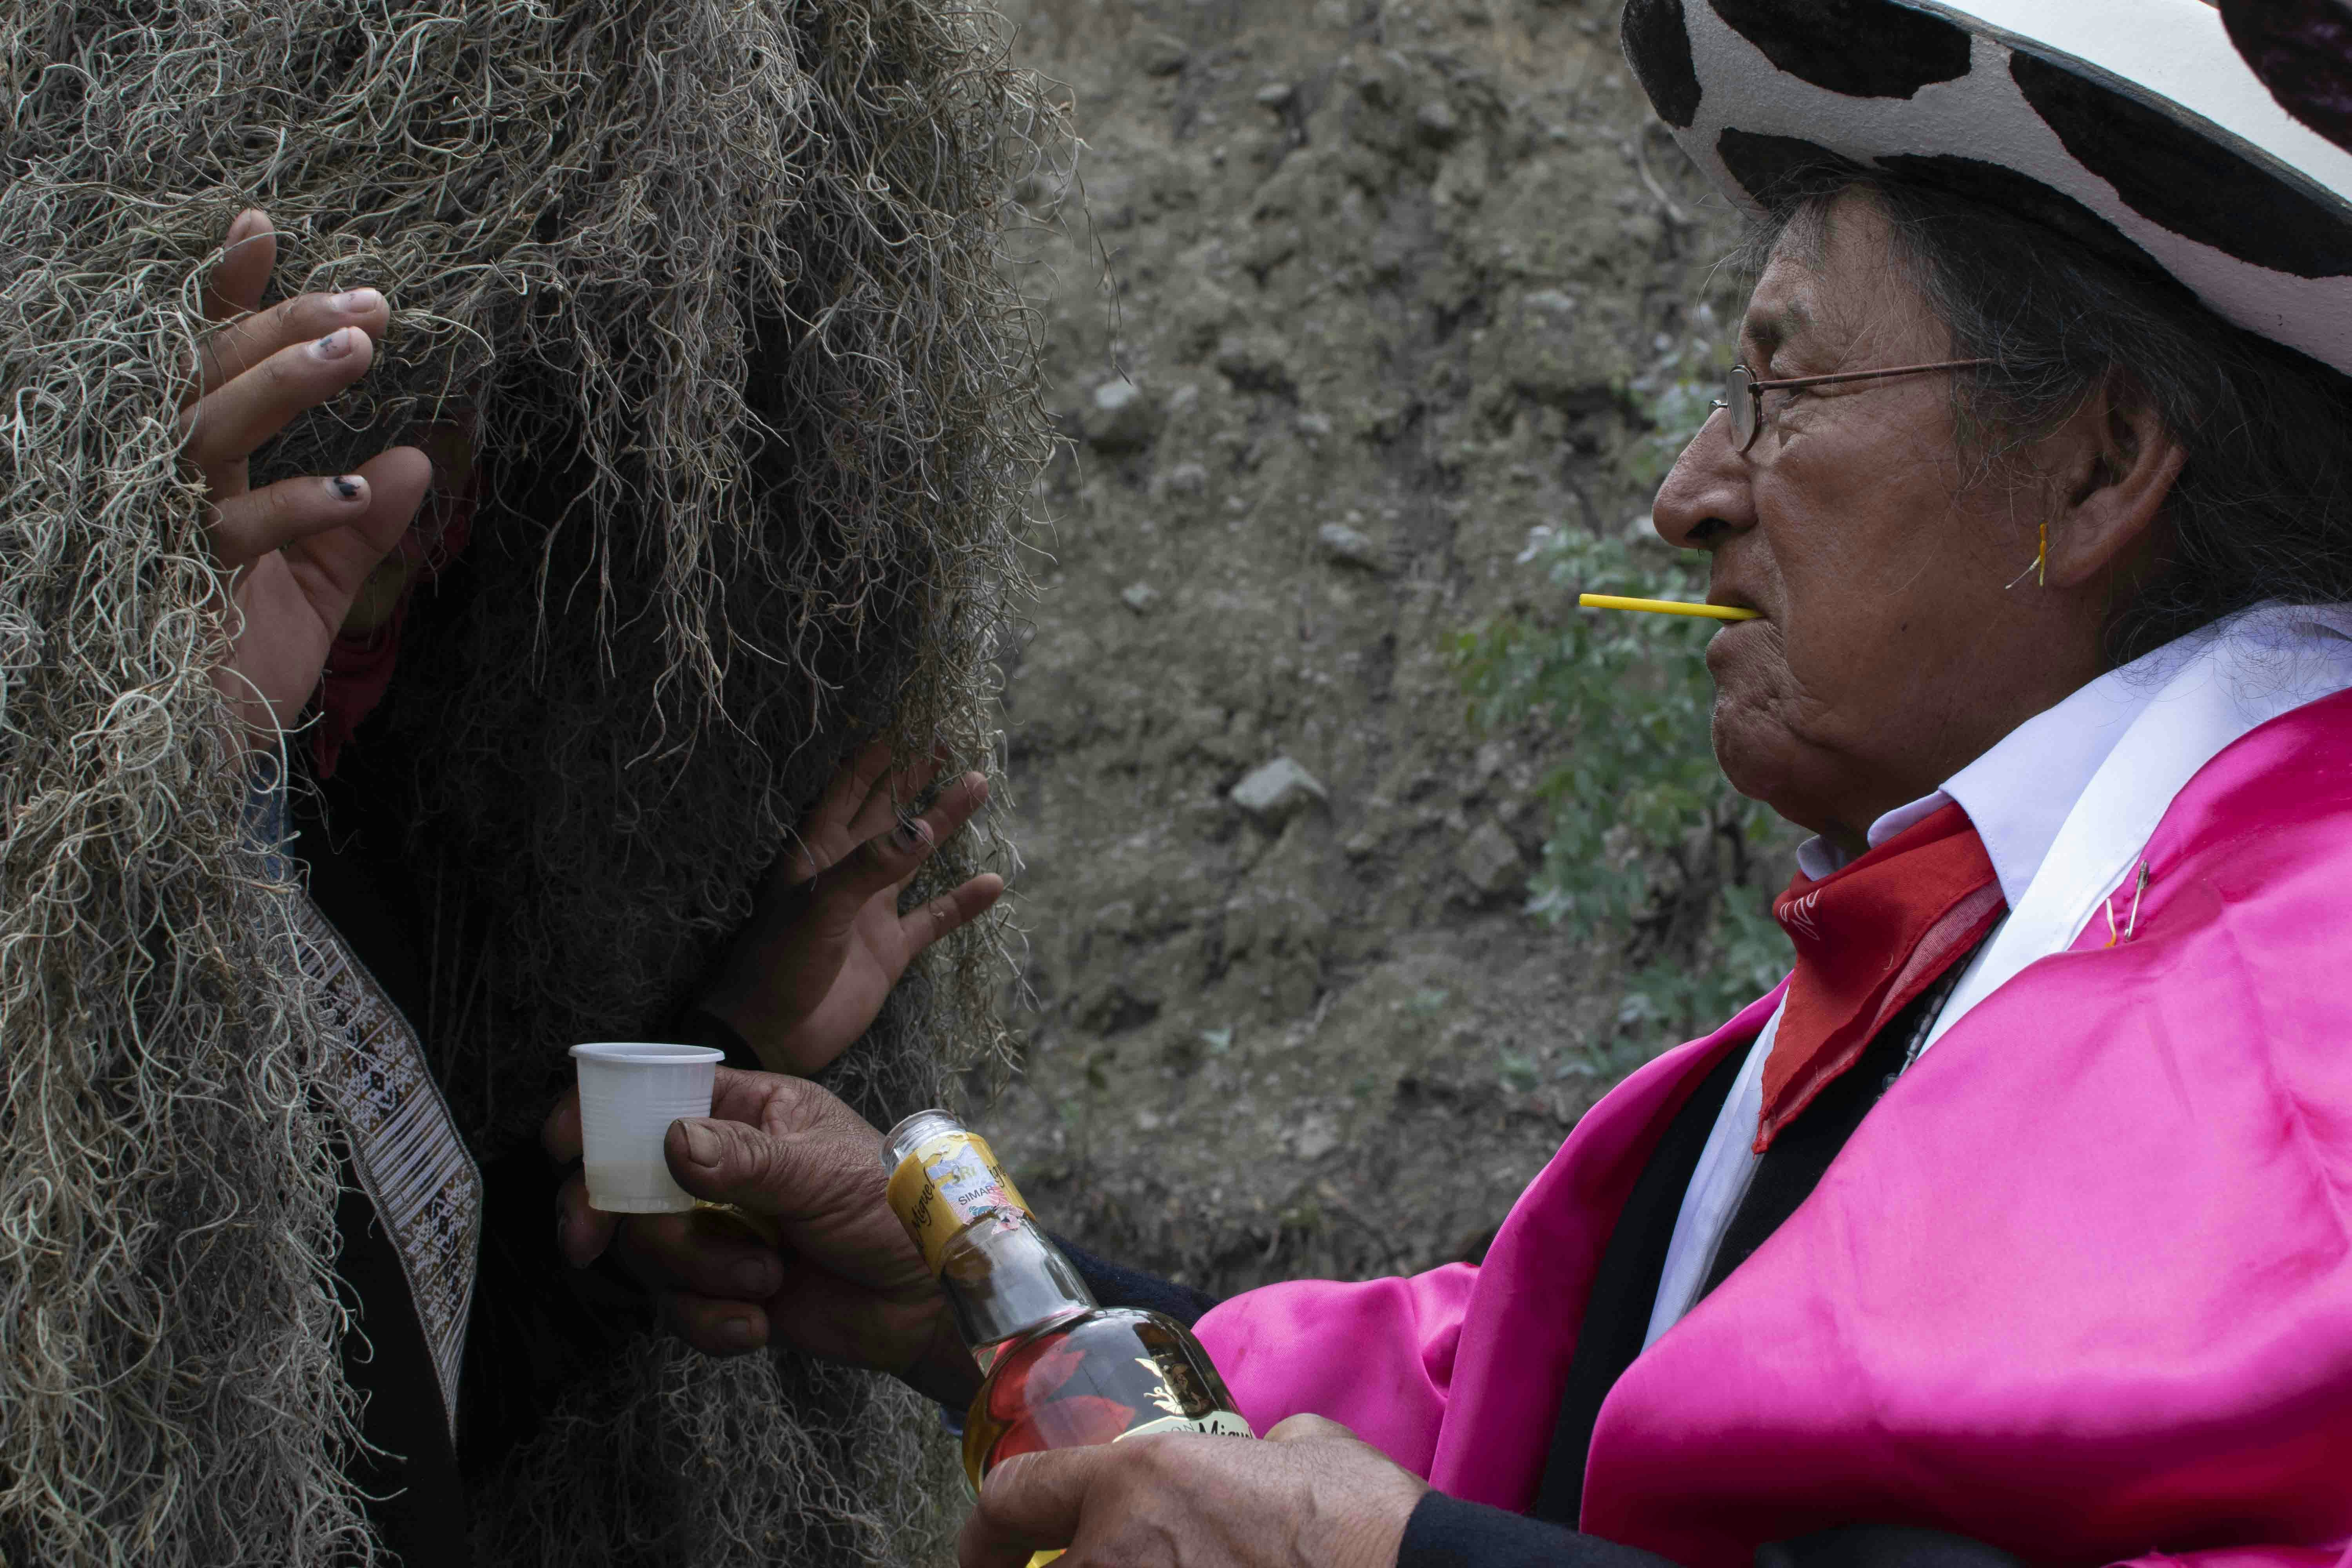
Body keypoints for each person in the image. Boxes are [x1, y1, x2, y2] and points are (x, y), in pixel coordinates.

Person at [556, 2, 2352, 1564]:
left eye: (1784, 389)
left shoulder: (2291, 1022)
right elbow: (1523, 1415)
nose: (1691, 494)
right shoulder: (2010, 957)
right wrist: (973, 1290)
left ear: (2101, 463)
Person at [0, 1, 1052, 1561]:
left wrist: (731, 1043)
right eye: (394, 396)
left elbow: (390, 1401)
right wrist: (143, 797)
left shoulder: (363, 863)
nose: (432, 480)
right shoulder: (146, 840)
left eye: (480, 423)